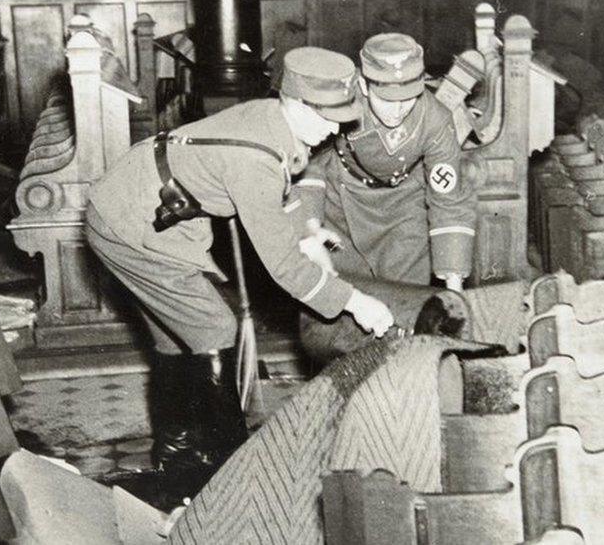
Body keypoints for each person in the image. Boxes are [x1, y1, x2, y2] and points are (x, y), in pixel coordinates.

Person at [83, 46, 395, 500]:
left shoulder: (276, 123)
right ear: (293, 101)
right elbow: (283, 268)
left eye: (344, 115)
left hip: (154, 210)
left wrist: (303, 236)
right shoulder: (254, 158)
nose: (336, 128)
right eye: (327, 115)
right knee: (214, 327)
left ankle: (180, 459)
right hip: (129, 223)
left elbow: (280, 193)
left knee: (180, 337)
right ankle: (234, 472)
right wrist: (354, 301)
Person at [294, 33, 477, 292]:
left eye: (409, 97)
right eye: (387, 99)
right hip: (340, 203)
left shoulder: (435, 120)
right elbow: (309, 162)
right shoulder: (342, 98)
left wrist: (454, 290)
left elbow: (449, 201)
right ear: (365, 86)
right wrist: (310, 227)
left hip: (403, 206)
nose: (399, 110)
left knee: (405, 297)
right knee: (339, 294)